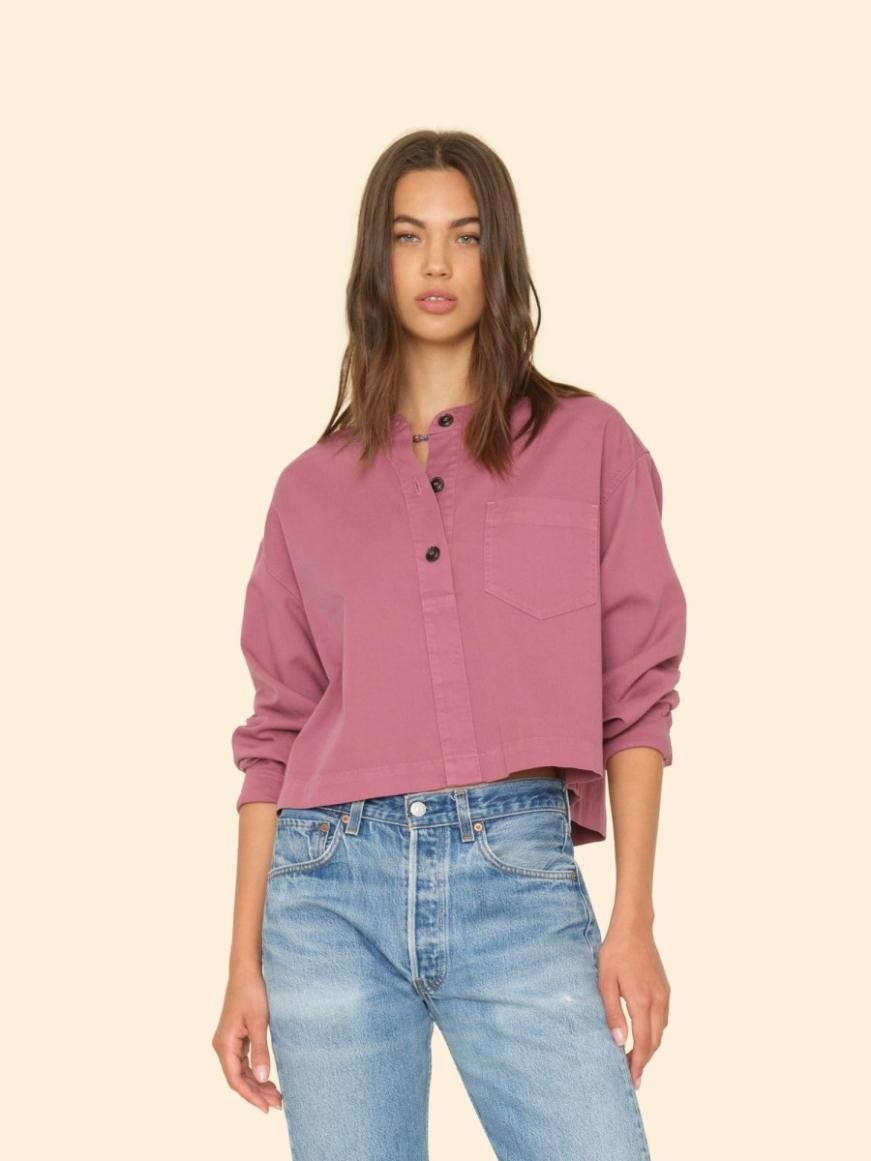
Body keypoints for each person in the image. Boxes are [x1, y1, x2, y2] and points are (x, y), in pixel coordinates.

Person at [212, 129, 687, 1160]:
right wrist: (242, 962)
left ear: (497, 255)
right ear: (374, 262)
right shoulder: (307, 489)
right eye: (408, 236)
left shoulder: (588, 442)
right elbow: (275, 733)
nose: (436, 263)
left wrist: (634, 917)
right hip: (327, 887)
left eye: (464, 237)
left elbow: (637, 693)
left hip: (515, 874)